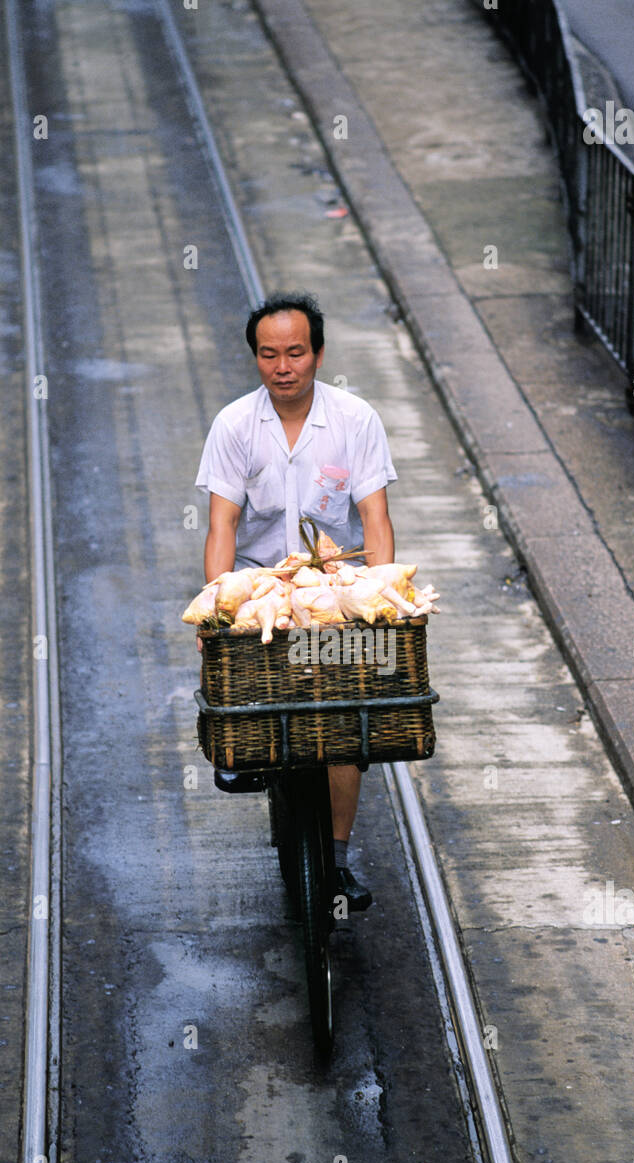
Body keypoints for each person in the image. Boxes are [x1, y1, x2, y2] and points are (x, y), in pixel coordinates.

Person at [195, 291, 397, 910]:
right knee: (250, 683)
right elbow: (222, 526)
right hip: (262, 586)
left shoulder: (355, 420)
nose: (284, 366)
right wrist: (217, 605)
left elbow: (376, 516)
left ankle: (335, 859)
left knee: (343, 723)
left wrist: (381, 593)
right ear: (255, 359)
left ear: (318, 354)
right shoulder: (234, 425)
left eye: (296, 353)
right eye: (269, 354)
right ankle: (245, 749)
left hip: (332, 586)